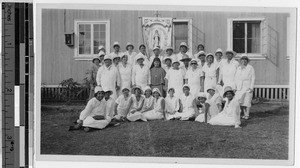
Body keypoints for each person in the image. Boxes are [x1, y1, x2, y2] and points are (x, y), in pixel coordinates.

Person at [234, 56, 255, 120]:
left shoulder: (250, 68)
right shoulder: (238, 68)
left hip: (247, 87)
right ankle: (244, 114)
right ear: (240, 61)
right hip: (239, 87)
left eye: (245, 59)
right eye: (242, 59)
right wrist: (235, 87)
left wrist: (251, 87)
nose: (244, 61)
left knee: (247, 101)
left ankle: (247, 115)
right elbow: (235, 78)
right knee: (240, 101)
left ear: (247, 61)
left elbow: (253, 78)